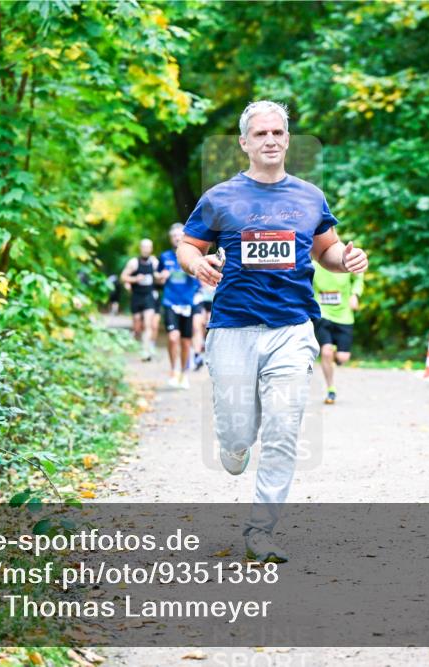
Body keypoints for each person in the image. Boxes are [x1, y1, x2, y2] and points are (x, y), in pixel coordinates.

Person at [177, 100, 368, 563]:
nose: (270, 141)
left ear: (287, 139)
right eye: (260, 134)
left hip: (292, 327)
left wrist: (347, 259)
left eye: (278, 133)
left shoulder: (309, 196)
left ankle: (260, 531)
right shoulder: (221, 197)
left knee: (283, 431)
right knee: (239, 433)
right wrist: (197, 262)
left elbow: (328, 250)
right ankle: (233, 444)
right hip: (234, 328)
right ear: (244, 143)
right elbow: (188, 244)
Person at [312, 259, 364, 404]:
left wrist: (355, 294)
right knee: (326, 351)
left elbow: (359, 276)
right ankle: (331, 389)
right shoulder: (314, 266)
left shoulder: (344, 264)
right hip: (322, 314)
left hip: (344, 316)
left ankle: (333, 357)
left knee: (343, 357)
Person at [158, 223, 199, 389]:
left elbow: (199, 274)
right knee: (173, 337)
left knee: (186, 341)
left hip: (188, 302)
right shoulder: (165, 257)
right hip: (170, 302)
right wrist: (161, 276)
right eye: (174, 236)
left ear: (184, 237)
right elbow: (158, 278)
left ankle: (184, 373)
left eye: (179, 235)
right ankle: (173, 370)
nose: (176, 238)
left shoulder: (192, 255)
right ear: (171, 238)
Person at [120, 239, 160, 361]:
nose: (146, 249)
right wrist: (135, 279)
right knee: (137, 326)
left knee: (149, 324)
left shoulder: (154, 262)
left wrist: (160, 277)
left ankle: (146, 350)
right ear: (140, 248)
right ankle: (138, 343)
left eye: (148, 247)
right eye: (144, 247)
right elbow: (123, 277)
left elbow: (158, 277)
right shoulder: (134, 263)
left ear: (151, 249)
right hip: (137, 296)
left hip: (149, 296)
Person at [191, 282, 216, 370]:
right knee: (197, 327)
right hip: (200, 298)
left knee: (208, 327)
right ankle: (197, 356)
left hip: (213, 299)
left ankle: (207, 350)